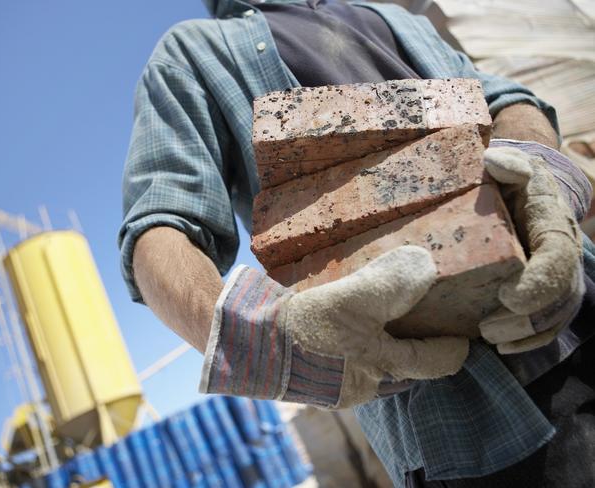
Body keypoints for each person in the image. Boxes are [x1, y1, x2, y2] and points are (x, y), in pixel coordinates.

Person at [119, 1, 595, 486]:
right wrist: (273, 338)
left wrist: (546, 180)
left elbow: (505, 101)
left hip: (578, 308)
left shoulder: (391, 16)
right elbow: (160, 227)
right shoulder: (193, 51)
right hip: (466, 417)